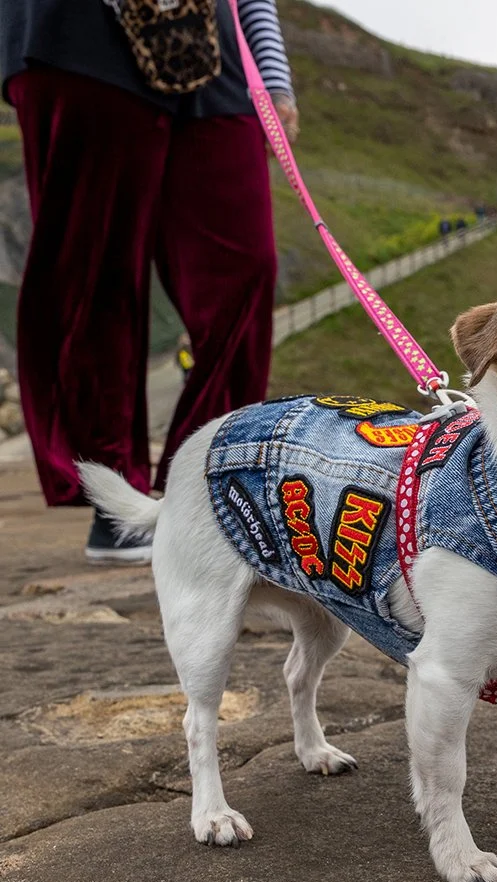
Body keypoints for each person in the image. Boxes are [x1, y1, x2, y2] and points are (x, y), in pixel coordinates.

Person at [0, 0, 297, 563]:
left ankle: (206, 485)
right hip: (79, 33)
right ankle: (116, 499)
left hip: (209, 46)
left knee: (244, 272)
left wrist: (273, 76)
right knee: (97, 274)